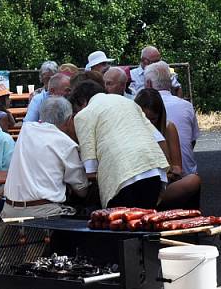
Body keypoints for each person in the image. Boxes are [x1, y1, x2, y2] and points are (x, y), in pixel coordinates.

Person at [70, 80, 168, 209]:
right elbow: (159, 139)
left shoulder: (83, 115)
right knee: (146, 221)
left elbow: (90, 169)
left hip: (122, 179)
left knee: (124, 225)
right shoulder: (128, 102)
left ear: (82, 102)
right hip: (154, 171)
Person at [2, 97, 88, 220]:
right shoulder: (66, 144)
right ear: (69, 120)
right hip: (44, 214)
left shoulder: (26, 130)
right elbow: (81, 189)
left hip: (9, 211)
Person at [134, 88, 201, 210]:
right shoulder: (130, 130)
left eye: (153, 119)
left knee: (193, 180)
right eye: (145, 119)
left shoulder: (168, 127)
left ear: (160, 116)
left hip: (163, 182)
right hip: (139, 184)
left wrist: (169, 173)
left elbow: (177, 167)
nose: (149, 123)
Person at [144, 61, 199, 175]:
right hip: (188, 173)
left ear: (148, 84)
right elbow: (192, 141)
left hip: (161, 175)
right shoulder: (186, 106)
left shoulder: (142, 108)